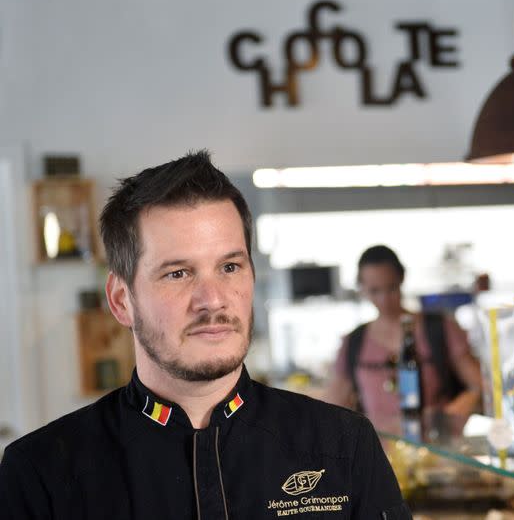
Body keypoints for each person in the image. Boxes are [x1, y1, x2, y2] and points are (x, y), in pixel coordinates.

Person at [0, 152, 411, 519]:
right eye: (177, 273)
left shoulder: (344, 445)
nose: (212, 300)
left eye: (230, 267)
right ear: (121, 300)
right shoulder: (40, 474)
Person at [325, 245, 483, 429]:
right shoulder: (354, 342)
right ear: (362, 288)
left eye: (391, 288)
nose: (384, 299)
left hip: (435, 449)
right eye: (374, 291)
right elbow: (332, 403)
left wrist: (452, 413)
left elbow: (479, 386)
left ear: (401, 279)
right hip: (376, 452)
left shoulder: (439, 329)